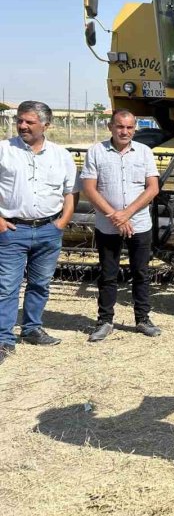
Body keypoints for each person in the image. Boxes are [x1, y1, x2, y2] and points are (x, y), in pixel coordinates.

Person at [0, 101, 76, 360]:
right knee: (7, 287)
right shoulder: (4, 150)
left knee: (40, 284)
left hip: (48, 230)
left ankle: (32, 329)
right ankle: (4, 338)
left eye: (29, 122)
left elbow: (69, 192)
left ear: (46, 125)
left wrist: (62, 222)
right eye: (20, 120)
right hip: (12, 230)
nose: (22, 125)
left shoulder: (61, 155)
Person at [80, 109, 161, 341]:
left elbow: (153, 188)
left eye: (129, 127)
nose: (124, 131)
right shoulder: (96, 151)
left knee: (141, 272)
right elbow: (89, 188)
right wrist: (114, 216)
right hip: (108, 225)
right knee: (108, 274)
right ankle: (105, 320)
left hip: (139, 224)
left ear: (135, 129)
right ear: (110, 127)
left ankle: (142, 319)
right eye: (120, 126)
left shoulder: (144, 152)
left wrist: (126, 214)